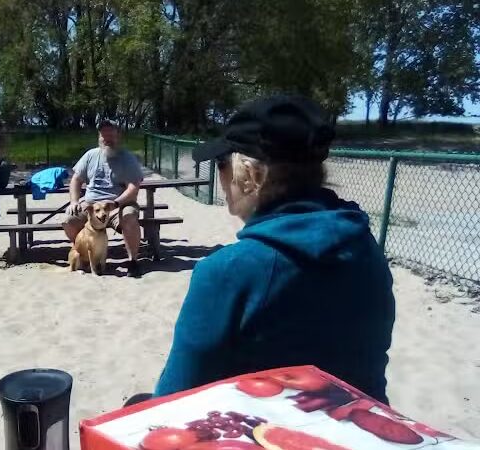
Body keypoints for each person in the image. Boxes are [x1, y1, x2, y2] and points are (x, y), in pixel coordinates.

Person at [153, 96, 396, 404]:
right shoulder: (364, 247)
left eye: (221, 164)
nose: (220, 177)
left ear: (250, 174)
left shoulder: (228, 271)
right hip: (363, 427)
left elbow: (173, 400)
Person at [63, 119, 144, 278]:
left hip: (118, 204)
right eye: (103, 134)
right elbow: (76, 179)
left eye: (110, 134)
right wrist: (74, 201)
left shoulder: (128, 158)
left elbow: (133, 187)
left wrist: (116, 203)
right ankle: (85, 253)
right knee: (68, 221)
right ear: (99, 136)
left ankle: (132, 262)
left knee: (129, 217)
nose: (107, 138)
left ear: (118, 135)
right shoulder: (90, 155)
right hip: (91, 206)